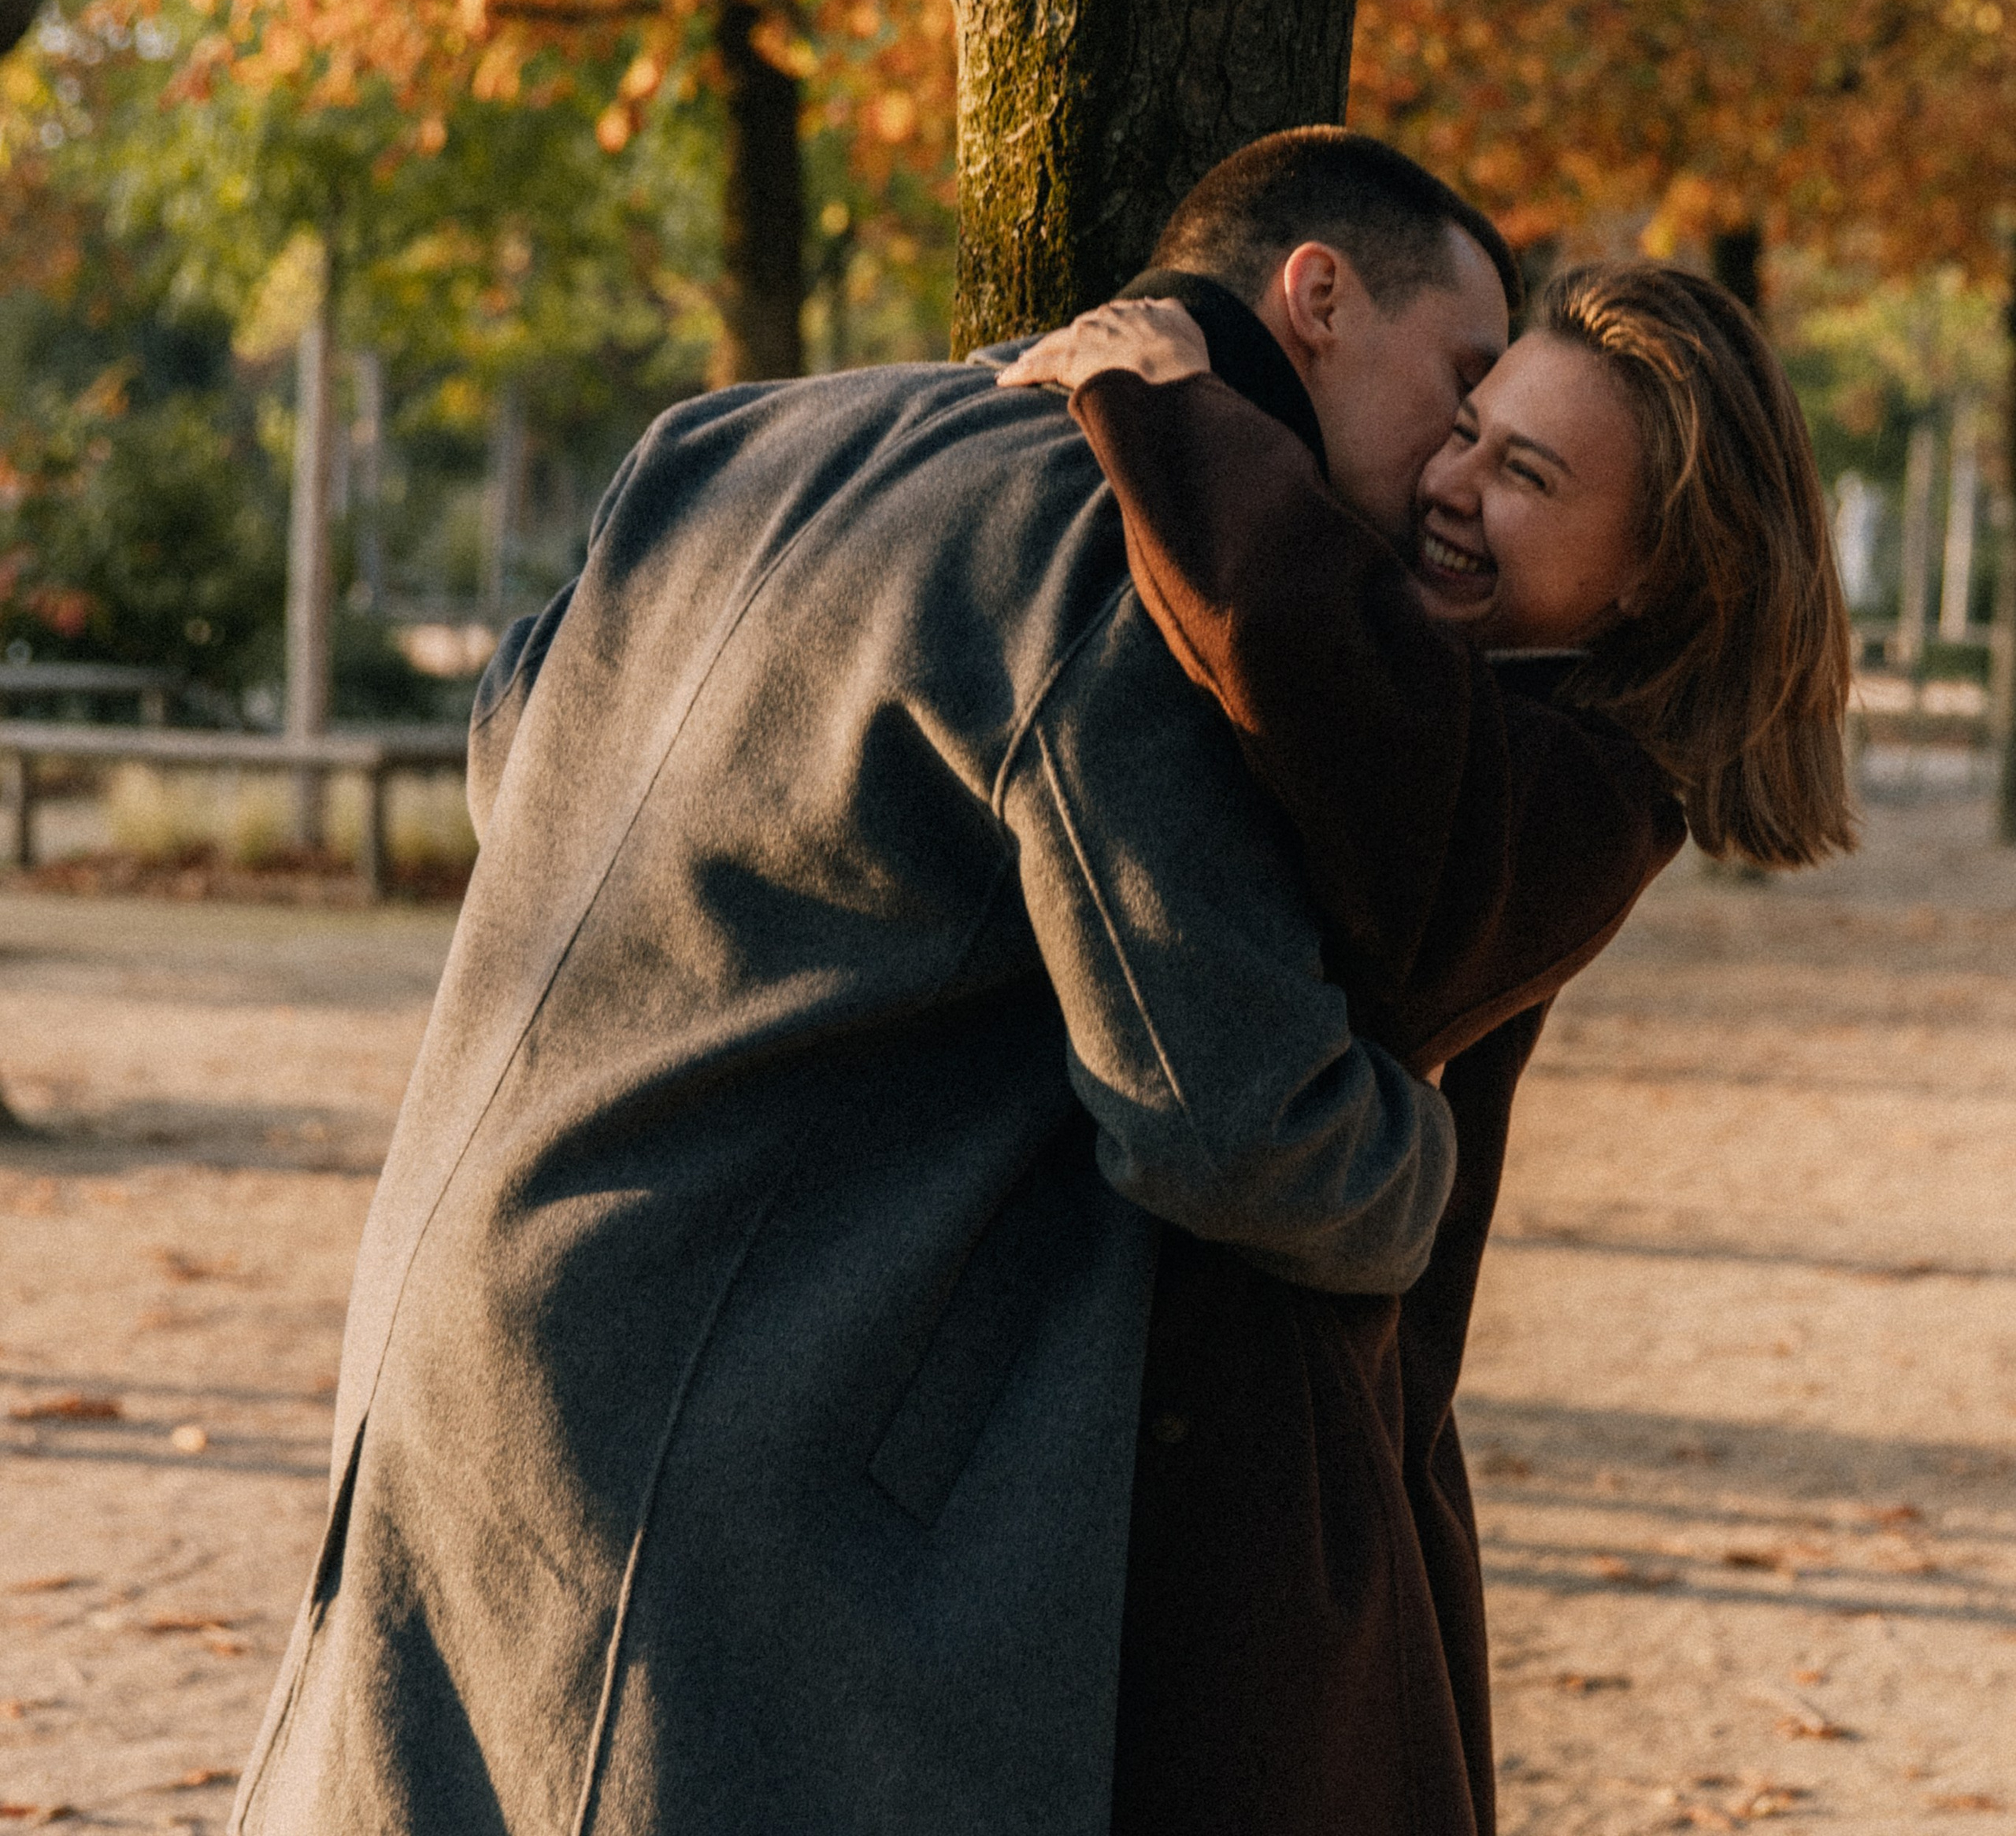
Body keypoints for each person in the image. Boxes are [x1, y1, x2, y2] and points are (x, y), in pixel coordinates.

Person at [230, 133, 1518, 1836]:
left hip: (467, 1314)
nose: (1461, 453)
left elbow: (510, 763)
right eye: (1461, 379)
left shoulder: (734, 432)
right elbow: (1226, 1119)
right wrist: (1421, 1154)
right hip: (740, 1430)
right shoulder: (1110, 547)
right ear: (1318, 293)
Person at [1001, 249, 1852, 1836]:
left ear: (1661, 573)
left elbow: (1301, 638)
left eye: (1525, 472)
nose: (1448, 481)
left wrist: (1160, 395)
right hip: (1267, 1439)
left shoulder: (1588, 794)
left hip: (1299, 1484)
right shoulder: (1488, 707)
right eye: (1464, 423)